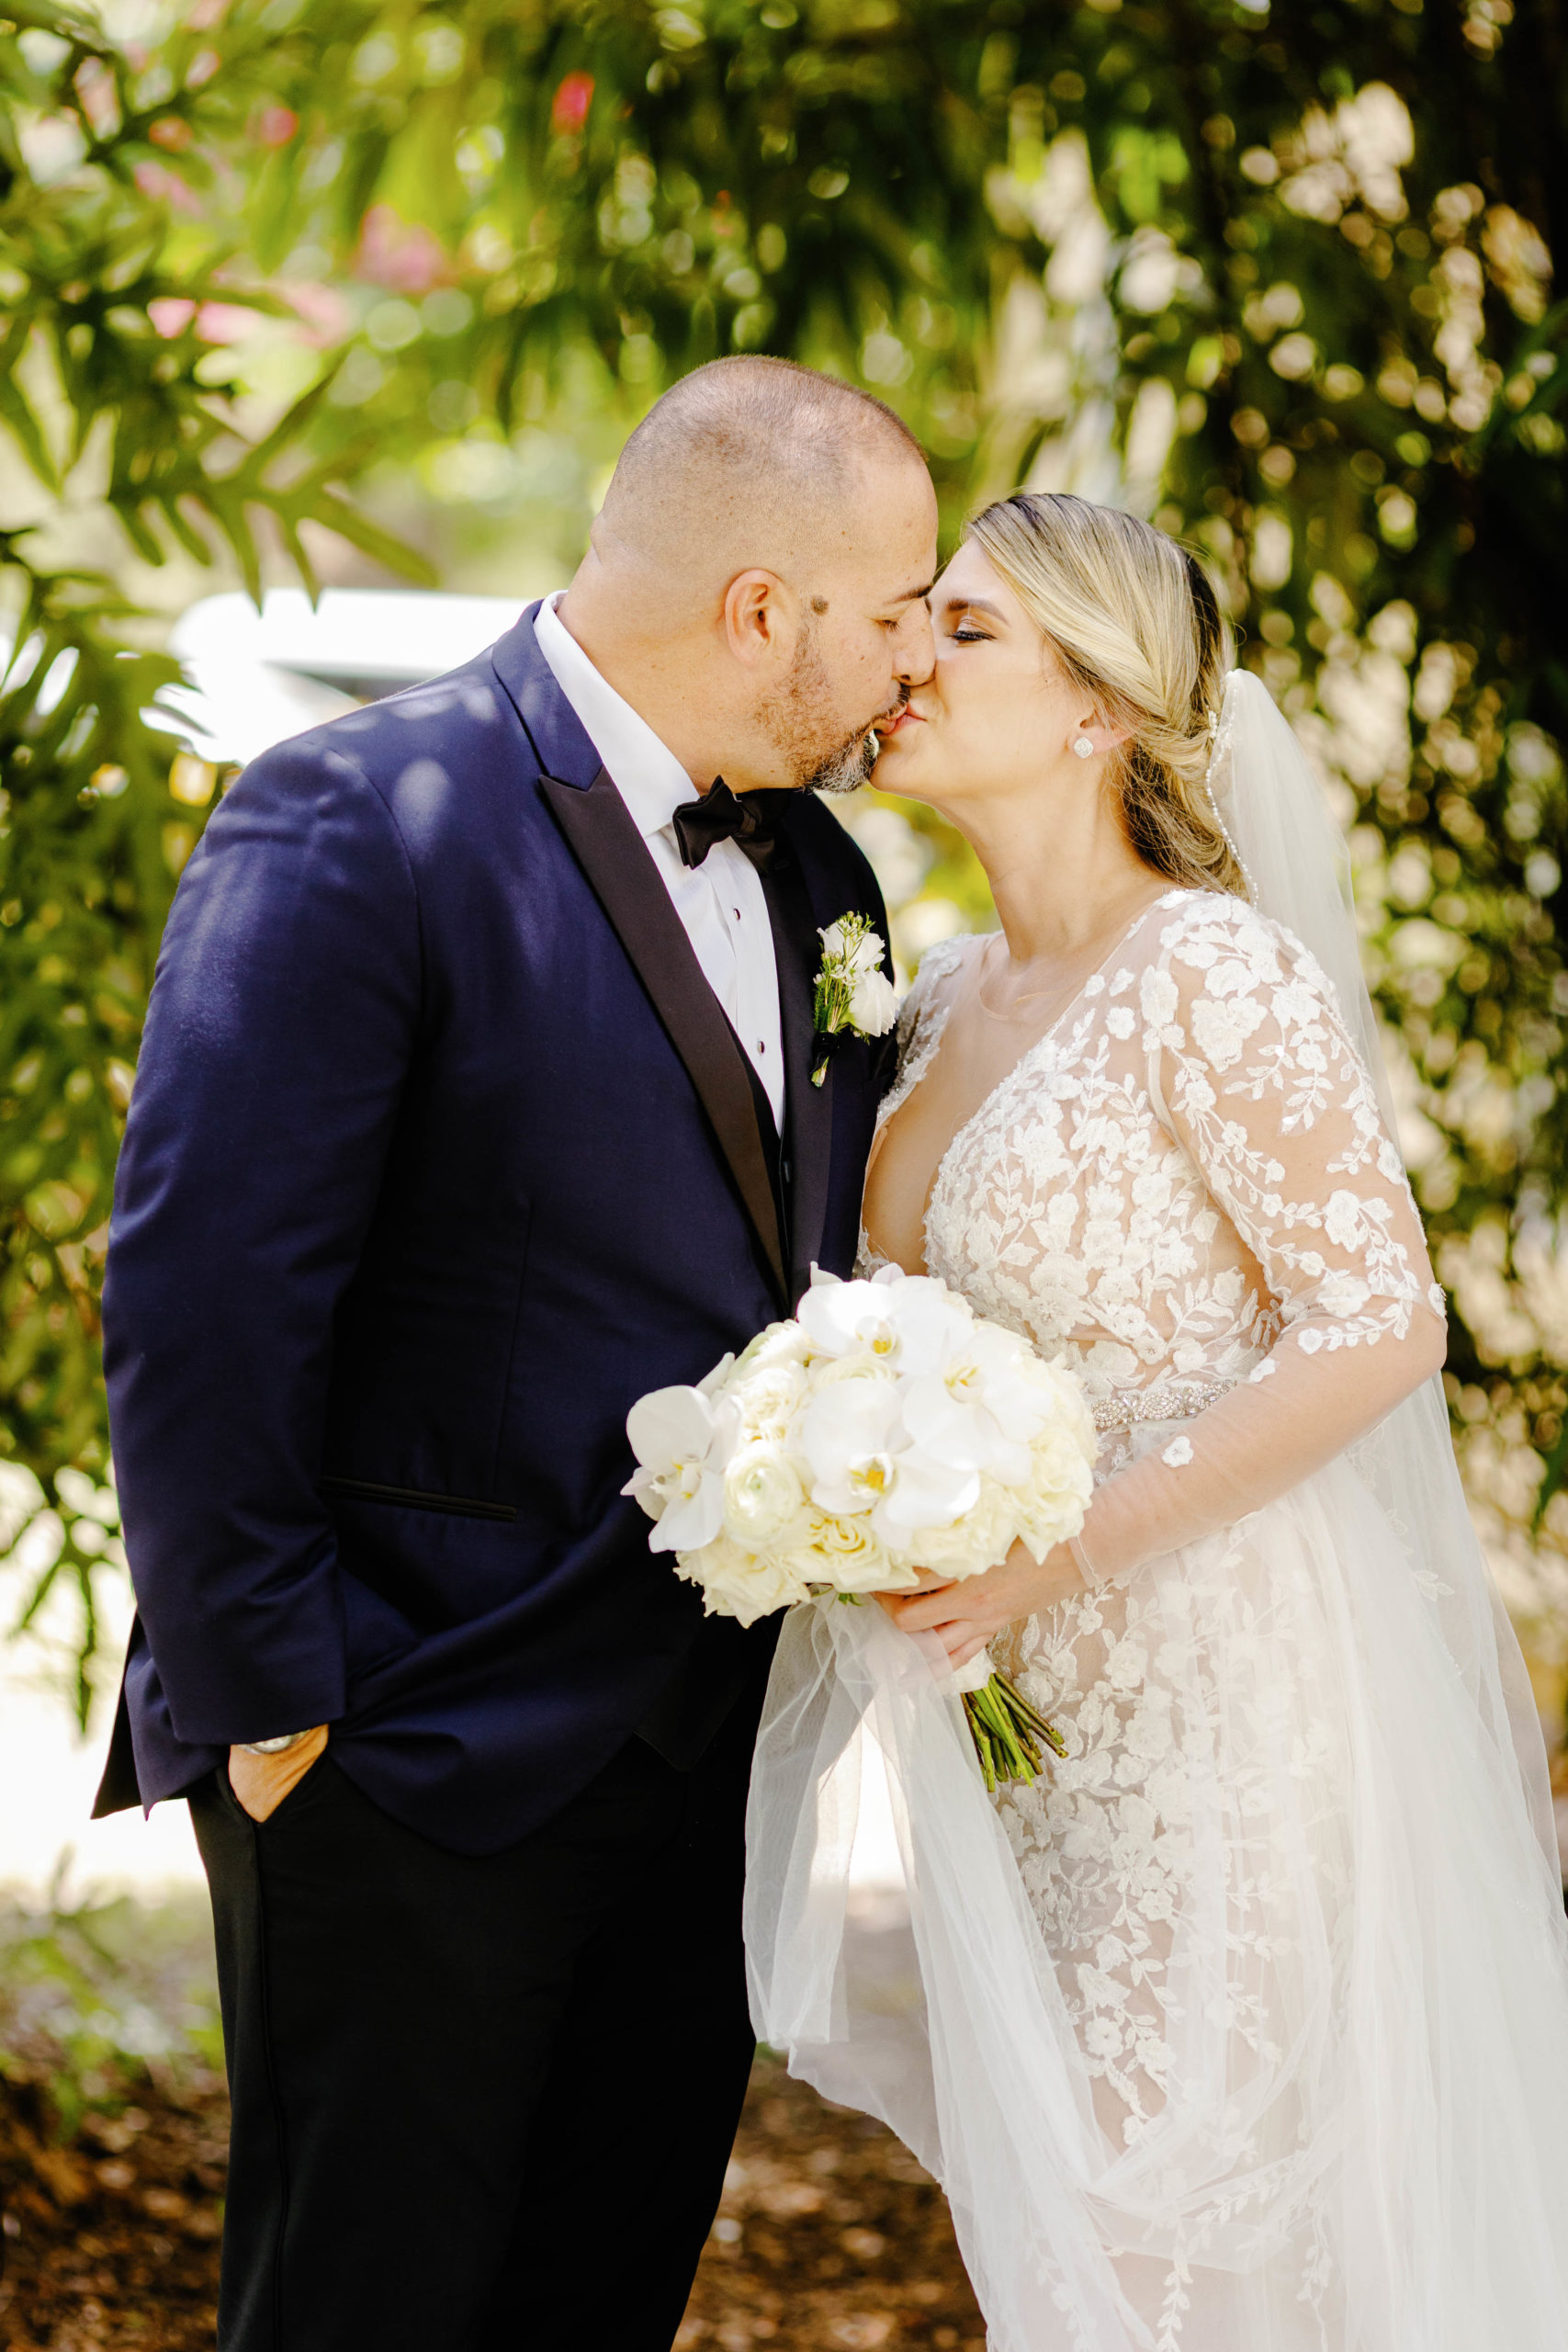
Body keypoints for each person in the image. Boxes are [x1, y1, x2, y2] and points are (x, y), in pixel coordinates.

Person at [93, 355, 938, 2351]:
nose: (914, 655)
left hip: (698, 1767)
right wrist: (278, 1712)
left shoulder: (821, 877)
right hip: (401, 1751)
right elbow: (201, 1293)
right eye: (895, 604)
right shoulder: (359, 813)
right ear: (763, 608)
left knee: (594, 2302)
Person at [746, 492, 1568, 2348]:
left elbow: (1377, 1322)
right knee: (1063, 2228)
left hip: (1223, 1708)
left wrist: (1069, 1538)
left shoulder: (1208, 970)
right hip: (1026, 1734)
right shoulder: (939, 995)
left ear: (1098, 704)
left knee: (1167, 2239)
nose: (905, 663)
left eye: (965, 631)